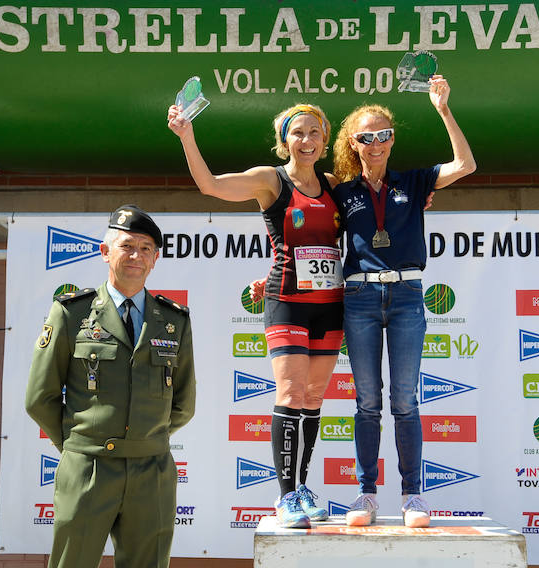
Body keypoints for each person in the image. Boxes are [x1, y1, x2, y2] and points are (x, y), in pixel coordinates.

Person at [167, 102, 342, 528]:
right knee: (290, 392)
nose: (306, 140)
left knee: (314, 398)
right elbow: (209, 186)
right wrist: (187, 136)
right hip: (287, 302)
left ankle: (301, 488)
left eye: (314, 132)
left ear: (325, 139)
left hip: (331, 305)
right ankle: (285, 498)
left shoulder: (335, 183)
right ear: (284, 141)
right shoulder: (271, 179)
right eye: (297, 133)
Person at [25, 205, 195, 568]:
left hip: (151, 473)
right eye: (127, 246)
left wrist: (146, 438)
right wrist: (78, 444)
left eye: (145, 248)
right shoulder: (72, 313)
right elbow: (40, 396)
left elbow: (184, 402)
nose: (136, 256)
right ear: (105, 251)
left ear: (155, 259)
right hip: (88, 469)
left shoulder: (174, 321)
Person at [332, 75, 476, 528]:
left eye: (384, 135)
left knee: (405, 400)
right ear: (353, 143)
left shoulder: (414, 183)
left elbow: (466, 164)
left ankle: (413, 496)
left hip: (408, 293)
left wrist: (443, 109)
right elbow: (304, 224)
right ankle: (367, 494)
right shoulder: (341, 189)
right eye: (366, 137)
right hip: (358, 294)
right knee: (367, 400)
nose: (376, 144)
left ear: (392, 140)